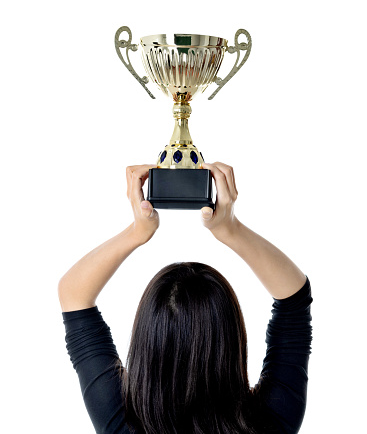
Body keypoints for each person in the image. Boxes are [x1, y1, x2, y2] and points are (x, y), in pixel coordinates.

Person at [58, 162, 313, 434]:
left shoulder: (120, 422)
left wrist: (138, 231)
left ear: (146, 341)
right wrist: (229, 228)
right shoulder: (271, 422)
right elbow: (294, 300)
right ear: (229, 339)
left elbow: (74, 294)